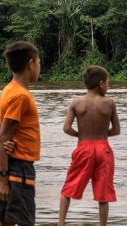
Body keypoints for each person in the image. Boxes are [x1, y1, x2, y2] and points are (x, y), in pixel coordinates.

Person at [58, 65, 120, 226]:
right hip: (103, 149)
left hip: (83, 147)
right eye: (108, 83)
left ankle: (61, 223)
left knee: (69, 187)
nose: (108, 86)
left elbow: (66, 128)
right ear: (101, 83)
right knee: (103, 193)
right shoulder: (109, 103)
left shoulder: (77, 103)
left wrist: (80, 135)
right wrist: (102, 135)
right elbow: (116, 130)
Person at [0, 41, 41, 226]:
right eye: (39, 63)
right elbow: (3, 135)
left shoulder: (7, 91)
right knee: (25, 221)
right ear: (31, 63)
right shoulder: (21, 96)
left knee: (4, 221)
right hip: (17, 168)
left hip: (8, 168)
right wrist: (3, 178)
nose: (39, 68)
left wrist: (0, 141)